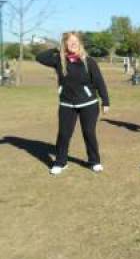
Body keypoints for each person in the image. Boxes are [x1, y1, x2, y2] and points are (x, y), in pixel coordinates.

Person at [36, 32, 110, 175]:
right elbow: (40, 58)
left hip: (88, 103)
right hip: (67, 104)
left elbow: (99, 82)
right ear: (65, 44)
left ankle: (94, 161)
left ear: (80, 43)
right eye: (69, 41)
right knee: (63, 134)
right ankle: (60, 162)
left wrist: (105, 102)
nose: (73, 43)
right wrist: (57, 49)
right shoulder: (59, 60)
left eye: (75, 41)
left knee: (89, 133)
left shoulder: (89, 61)